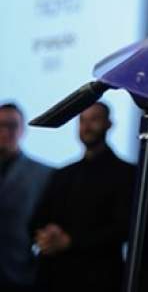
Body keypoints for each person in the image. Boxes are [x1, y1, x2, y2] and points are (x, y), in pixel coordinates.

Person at [28, 102, 134, 292]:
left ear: (108, 124)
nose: (87, 126)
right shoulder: (63, 174)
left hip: (99, 278)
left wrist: (70, 242)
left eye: (94, 119)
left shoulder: (126, 174)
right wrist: (46, 234)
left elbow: (123, 228)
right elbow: (37, 218)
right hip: (55, 277)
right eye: (82, 120)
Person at [0, 103, 53, 292]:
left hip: (21, 274)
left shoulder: (45, 175)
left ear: (22, 130)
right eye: (0, 125)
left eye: (12, 125)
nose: (5, 132)